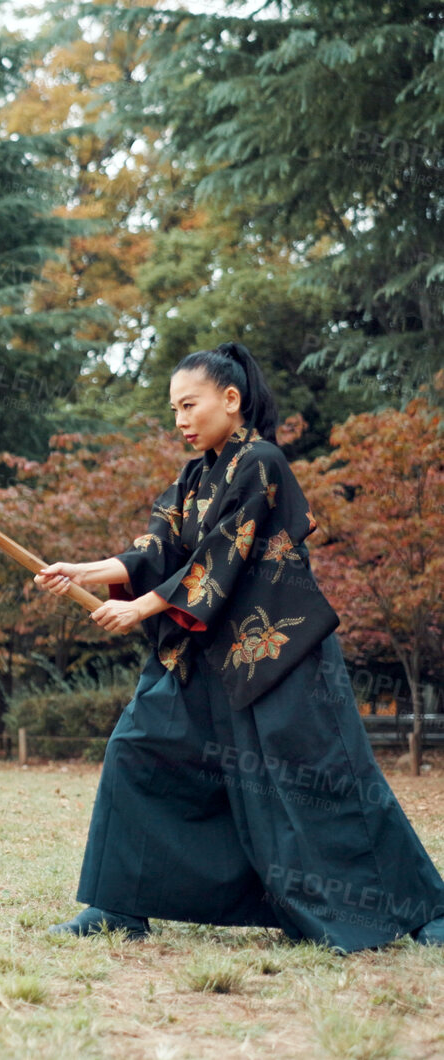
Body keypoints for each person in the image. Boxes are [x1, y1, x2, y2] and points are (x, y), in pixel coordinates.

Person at [31, 341, 444, 952]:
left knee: (329, 781)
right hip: (203, 656)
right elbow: (156, 549)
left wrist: (143, 605)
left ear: (231, 399)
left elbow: (225, 550)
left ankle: (426, 912)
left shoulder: (262, 462)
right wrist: (86, 572)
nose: (180, 421)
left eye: (189, 405)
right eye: (173, 409)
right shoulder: (193, 476)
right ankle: (119, 905)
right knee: (138, 750)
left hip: (281, 657)